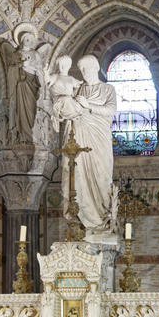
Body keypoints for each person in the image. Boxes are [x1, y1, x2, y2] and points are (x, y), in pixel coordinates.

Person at [61, 55, 117, 233]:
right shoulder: (78, 89)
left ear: (95, 67)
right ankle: (82, 222)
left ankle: (101, 219)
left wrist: (89, 105)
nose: (84, 73)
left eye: (86, 68)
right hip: (79, 139)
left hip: (99, 139)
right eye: (81, 69)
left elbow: (111, 110)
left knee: (101, 176)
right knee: (78, 176)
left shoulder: (107, 89)